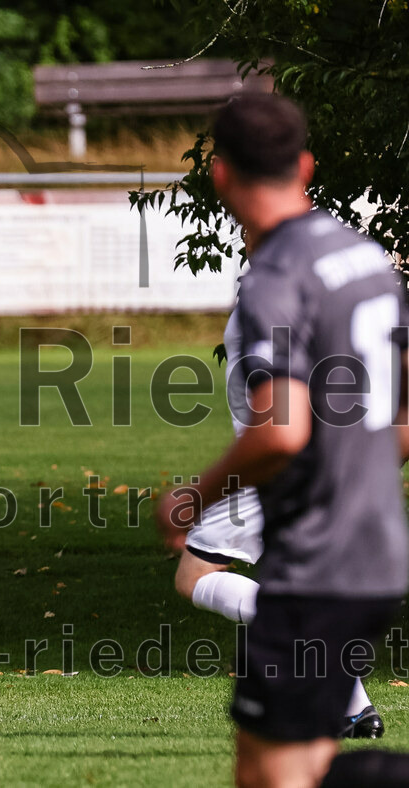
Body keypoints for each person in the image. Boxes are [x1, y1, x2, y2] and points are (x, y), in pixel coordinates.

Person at [157, 93, 409, 787]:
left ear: (221, 177)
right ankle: (355, 706)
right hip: (377, 543)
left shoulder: (273, 276)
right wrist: (362, 473)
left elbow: (281, 429)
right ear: (305, 164)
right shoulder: (366, 261)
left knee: (277, 777)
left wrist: (193, 493)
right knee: (286, 770)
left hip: (313, 555)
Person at [175, 299, 382, 738]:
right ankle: (356, 708)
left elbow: (275, 418)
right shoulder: (330, 303)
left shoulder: (266, 301)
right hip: (330, 466)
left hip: (267, 470)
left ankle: (336, 688)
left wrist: (201, 492)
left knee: (195, 577)